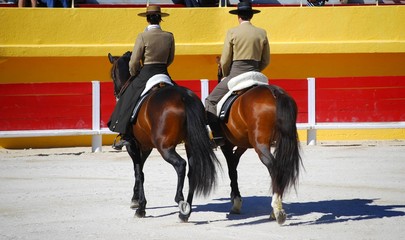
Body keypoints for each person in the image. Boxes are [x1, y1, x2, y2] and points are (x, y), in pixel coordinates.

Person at [108, 5, 175, 150]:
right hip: (164, 72)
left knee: (126, 98)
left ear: (147, 19)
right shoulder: (169, 36)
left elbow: (133, 61)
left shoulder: (143, 36)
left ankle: (124, 134)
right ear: (160, 19)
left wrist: (134, 72)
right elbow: (170, 58)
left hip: (147, 73)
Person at [205, 0, 270, 146]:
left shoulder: (232, 32)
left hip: (236, 72)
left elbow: (226, 59)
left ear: (238, 16)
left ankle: (217, 138)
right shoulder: (261, 32)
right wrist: (256, 71)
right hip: (255, 72)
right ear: (251, 16)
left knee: (210, 101)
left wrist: (227, 74)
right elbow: (266, 59)